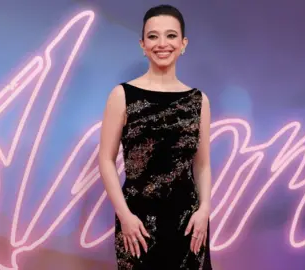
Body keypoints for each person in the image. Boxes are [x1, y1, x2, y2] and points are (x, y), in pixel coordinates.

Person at [99, 4, 213, 269]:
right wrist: (124, 215)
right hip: (137, 224)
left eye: (171, 35)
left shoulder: (199, 100)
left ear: (184, 43)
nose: (162, 43)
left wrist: (204, 209)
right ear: (142, 44)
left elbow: (203, 164)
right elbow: (105, 160)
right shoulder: (122, 95)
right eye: (153, 36)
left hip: (189, 223)